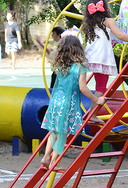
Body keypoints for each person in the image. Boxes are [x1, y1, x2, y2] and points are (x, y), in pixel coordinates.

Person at [40, 36, 105, 168]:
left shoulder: (60, 64)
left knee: (54, 130)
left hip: (56, 102)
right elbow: (82, 87)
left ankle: (46, 157)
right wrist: (96, 99)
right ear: (78, 49)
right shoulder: (79, 66)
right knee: (63, 133)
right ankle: (54, 162)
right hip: (68, 103)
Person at [79, 0, 128, 92]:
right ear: (105, 7)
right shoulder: (108, 21)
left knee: (100, 88)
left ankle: (96, 102)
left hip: (90, 57)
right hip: (101, 58)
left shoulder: (89, 23)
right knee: (100, 90)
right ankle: (95, 105)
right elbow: (120, 35)